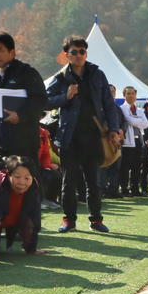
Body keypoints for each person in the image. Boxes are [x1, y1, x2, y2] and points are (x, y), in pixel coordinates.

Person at [45, 34, 120, 233]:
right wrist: (66, 96)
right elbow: (45, 101)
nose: (79, 55)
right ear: (66, 54)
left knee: (94, 181)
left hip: (93, 135)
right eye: (74, 52)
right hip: (68, 137)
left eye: (82, 51)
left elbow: (109, 104)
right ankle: (68, 220)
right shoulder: (61, 77)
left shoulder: (97, 74)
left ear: (86, 53)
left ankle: (96, 219)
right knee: (68, 182)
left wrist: (113, 128)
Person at [0, 31, 48, 169]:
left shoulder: (26, 72)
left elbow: (40, 99)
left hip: (24, 143)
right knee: (3, 180)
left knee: (26, 179)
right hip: (1, 143)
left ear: (12, 52)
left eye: (0, 50)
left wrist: (21, 116)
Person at [117, 86, 148, 197]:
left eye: (133, 93)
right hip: (128, 142)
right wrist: (138, 120)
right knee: (125, 167)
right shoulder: (123, 108)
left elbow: (146, 124)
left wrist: (135, 120)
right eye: (128, 93)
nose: (131, 95)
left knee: (137, 166)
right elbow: (129, 120)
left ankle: (135, 188)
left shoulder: (139, 110)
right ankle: (124, 188)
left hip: (138, 140)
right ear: (124, 96)